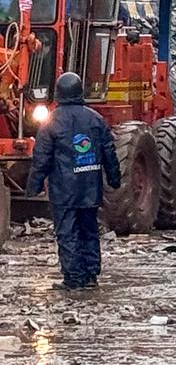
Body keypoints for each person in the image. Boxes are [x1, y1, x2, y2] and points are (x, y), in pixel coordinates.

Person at [26, 71, 120, 291]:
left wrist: (33, 187)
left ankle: (73, 278)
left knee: (67, 233)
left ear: (58, 93)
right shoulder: (95, 118)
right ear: (80, 91)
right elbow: (109, 152)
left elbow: (42, 159)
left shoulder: (51, 122)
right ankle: (90, 276)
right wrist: (115, 179)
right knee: (89, 231)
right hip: (90, 188)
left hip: (64, 190)